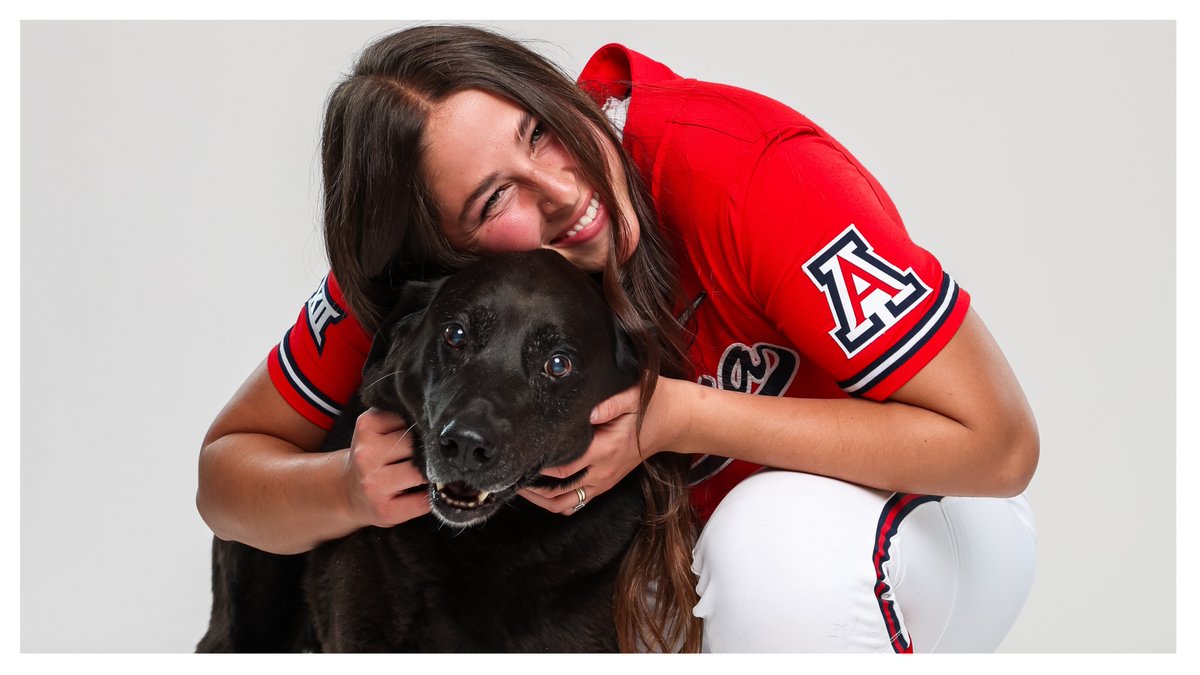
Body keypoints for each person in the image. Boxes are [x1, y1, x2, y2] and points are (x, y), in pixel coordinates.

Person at [196, 24, 1039, 653]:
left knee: (777, 552)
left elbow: (999, 446)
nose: (562, 187)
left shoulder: (750, 177)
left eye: (541, 130)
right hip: (694, 570)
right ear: (442, 249)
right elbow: (227, 475)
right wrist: (346, 487)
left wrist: (676, 416)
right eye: (495, 201)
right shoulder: (430, 282)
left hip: (918, 521)